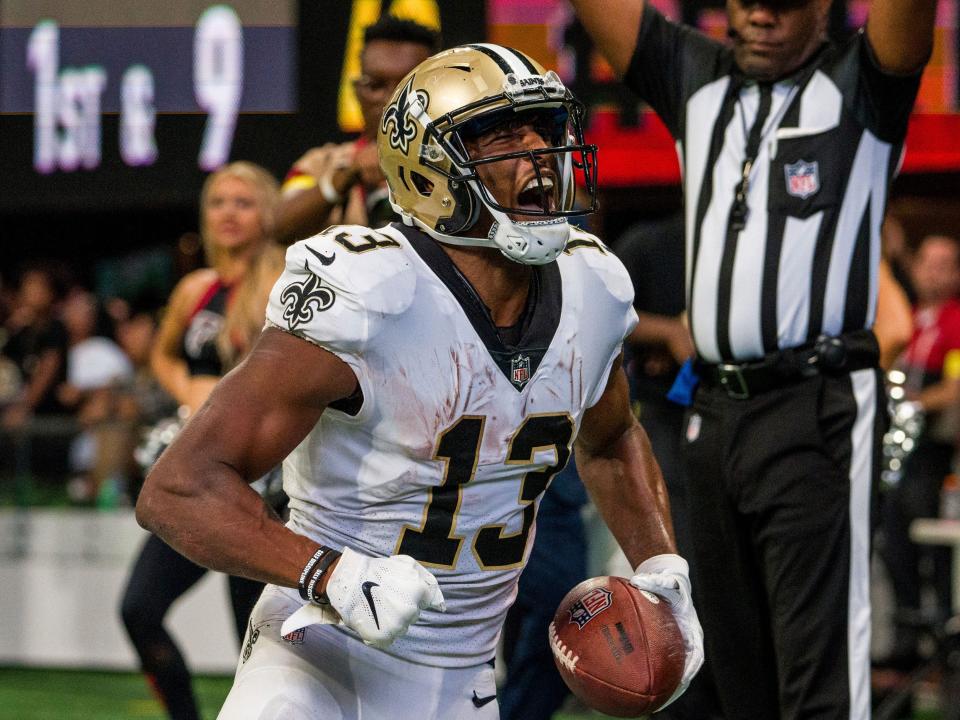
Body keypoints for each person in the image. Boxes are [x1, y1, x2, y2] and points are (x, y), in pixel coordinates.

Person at [135, 45, 704, 720]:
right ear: (432, 168)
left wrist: (661, 566)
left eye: (545, 130)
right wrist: (331, 574)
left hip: (460, 680)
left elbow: (610, 442)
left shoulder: (593, 286)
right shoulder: (374, 294)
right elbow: (178, 489)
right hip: (315, 653)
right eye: (501, 134)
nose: (539, 156)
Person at [570, 0, 935, 717]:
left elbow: (909, 22)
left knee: (820, 669)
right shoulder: (696, 74)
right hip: (711, 410)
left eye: (783, 1)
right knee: (731, 671)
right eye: (745, 0)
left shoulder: (860, 80)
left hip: (816, 403)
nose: (760, 16)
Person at [120, 162, 285, 720]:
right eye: (218, 202)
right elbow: (163, 354)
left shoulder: (287, 279)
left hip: (264, 486)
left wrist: (228, 398)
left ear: (269, 211)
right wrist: (189, 391)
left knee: (255, 639)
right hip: (198, 478)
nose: (229, 214)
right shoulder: (197, 287)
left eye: (243, 202)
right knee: (139, 609)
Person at [274, 15, 440, 244]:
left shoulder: (464, 158)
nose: (392, 99)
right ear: (357, 91)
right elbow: (279, 227)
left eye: (407, 85)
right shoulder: (319, 164)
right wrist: (347, 175)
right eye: (375, 85)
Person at [879, 234, 960, 670]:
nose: (933, 271)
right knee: (894, 545)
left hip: (932, 454)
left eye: (944, 263)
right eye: (926, 261)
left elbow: (954, 389)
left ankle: (942, 643)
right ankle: (906, 641)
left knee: (936, 548)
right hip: (897, 454)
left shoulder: (955, 323)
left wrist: (913, 404)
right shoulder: (903, 318)